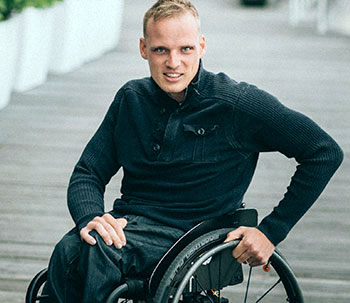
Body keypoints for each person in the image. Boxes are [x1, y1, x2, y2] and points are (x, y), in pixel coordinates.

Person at [44, 0, 343, 302]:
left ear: (201, 46)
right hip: (130, 224)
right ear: (143, 48)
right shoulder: (131, 98)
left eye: (185, 49)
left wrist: (270, 231)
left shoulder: (235, 103)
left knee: (98, 252)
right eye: (161, 49)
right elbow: (88, 172)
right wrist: (90, 216)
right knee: (70, 248)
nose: (173, 62)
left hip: (192, 235)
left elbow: (323, 152)